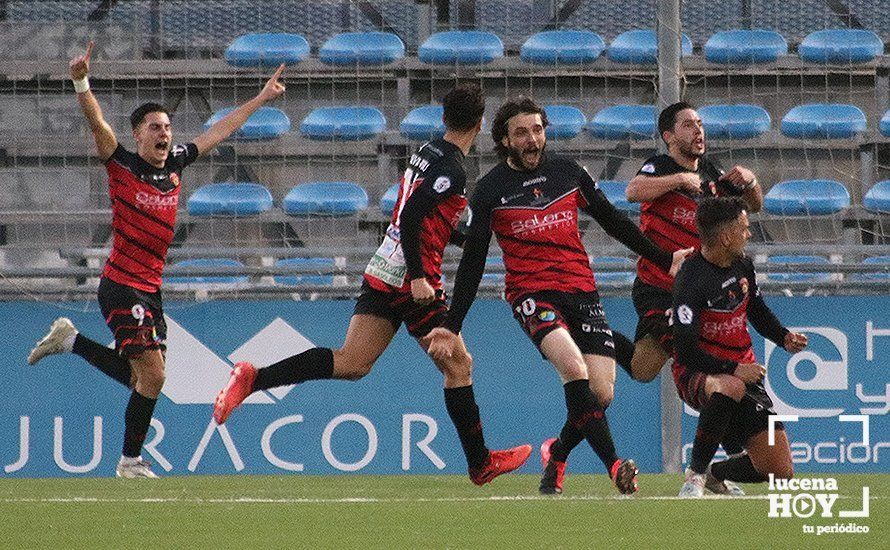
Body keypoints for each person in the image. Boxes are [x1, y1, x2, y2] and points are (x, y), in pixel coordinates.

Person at [212, 84, 532, 485]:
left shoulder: (427, 151)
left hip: (385, 264)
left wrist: (468, 239)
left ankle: (253, 378)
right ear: (481, 124)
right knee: (459, 365)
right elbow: (414, 216)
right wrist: (418, 276)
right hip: (410, 278)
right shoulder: (452, 170)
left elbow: (418, 216)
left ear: (444, 119)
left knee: (353, 363)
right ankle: (481, 463)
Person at [27, 41, 287, 478]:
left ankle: (71, 342)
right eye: (154, 127)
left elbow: (219, 130)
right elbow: (97, 123)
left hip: (151, 288)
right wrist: (80, 81)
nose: (164, 133)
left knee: (143, 380)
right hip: (122, 283)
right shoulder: (121, 164)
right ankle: (129, 462)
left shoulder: (177, 166)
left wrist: (260, 99)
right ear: (137, 134)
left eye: (167, 126)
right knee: (155, 378)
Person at [425, 97, 692, 495]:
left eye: (537, 130)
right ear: (504, 139)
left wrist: (664, 257)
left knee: (599, 394)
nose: (532, 139)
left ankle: (558, 452)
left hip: (581, 291)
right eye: (521, 132)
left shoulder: (569, 173)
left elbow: (614, 221)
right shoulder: (490, 190)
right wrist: (451, 325)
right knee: (572, 365)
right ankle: (615, 465)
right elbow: (473, 261)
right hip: (531, 293)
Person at [672, 197, 808, 497]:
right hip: (696, 371)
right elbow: (684, 351)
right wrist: (733, 368)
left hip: (742, 372)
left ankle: (714, 473)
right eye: (744, 228)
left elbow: (756, 309)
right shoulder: (690, 280)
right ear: (725, 237)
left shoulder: (743, 265)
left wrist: (782, 337)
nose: (749, 234)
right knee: (730, 386)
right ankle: (694, 474)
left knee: (780, 472)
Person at [623, 102, 764, 383]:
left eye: (699, 124)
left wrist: (751, 182)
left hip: (697, 290)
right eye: (688, 125)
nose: (698, 130)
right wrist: (678, 180)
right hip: (659, 286)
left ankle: (598, 337)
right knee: (699, 358)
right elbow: (632, 191)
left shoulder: (712, 172)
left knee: (641, 370)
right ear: (669, 136)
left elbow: (755, 205)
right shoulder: (660, 166)